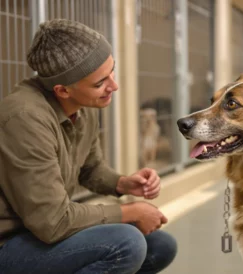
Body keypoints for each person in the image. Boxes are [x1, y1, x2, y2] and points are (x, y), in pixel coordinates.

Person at [0, 19, 177, 274]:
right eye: (99, 83)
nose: (113, 86)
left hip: (39, 233)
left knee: (160, 246)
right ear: (63, 90)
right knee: (127, 244)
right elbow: (54, 221)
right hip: (10, 243)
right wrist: (131, 211)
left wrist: (124, 183)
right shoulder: (24, 117)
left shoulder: (84, 106)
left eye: (112, 71)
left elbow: (90, 169)